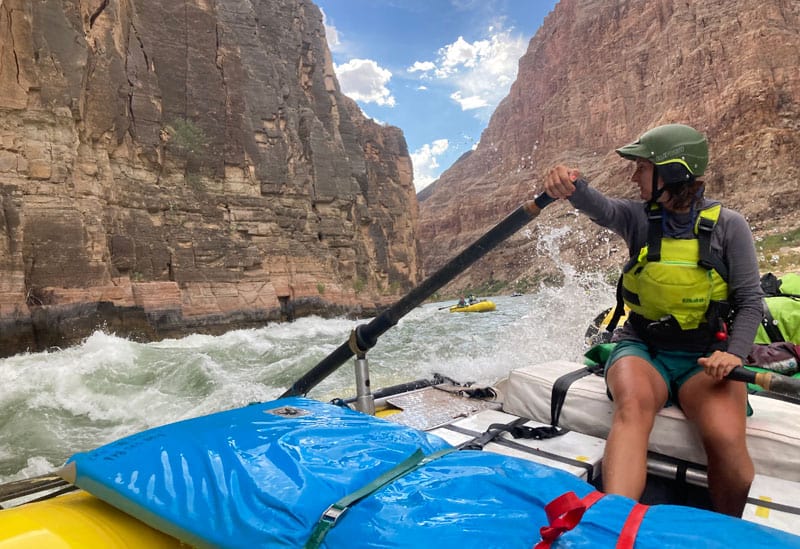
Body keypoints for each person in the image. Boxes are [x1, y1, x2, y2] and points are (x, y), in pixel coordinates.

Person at [543, 123, 763, 517]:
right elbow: (601, 206)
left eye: (641, 167)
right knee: (633, 407)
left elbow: (749, 300)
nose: (633, 176)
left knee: (725, 438)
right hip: (644, 348)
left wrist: (735, 354)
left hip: (706, 357)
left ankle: (727, 533)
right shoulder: (638, 217)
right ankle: (616, 525)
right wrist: (573, 185)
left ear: (672, 171)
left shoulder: (730, 226)